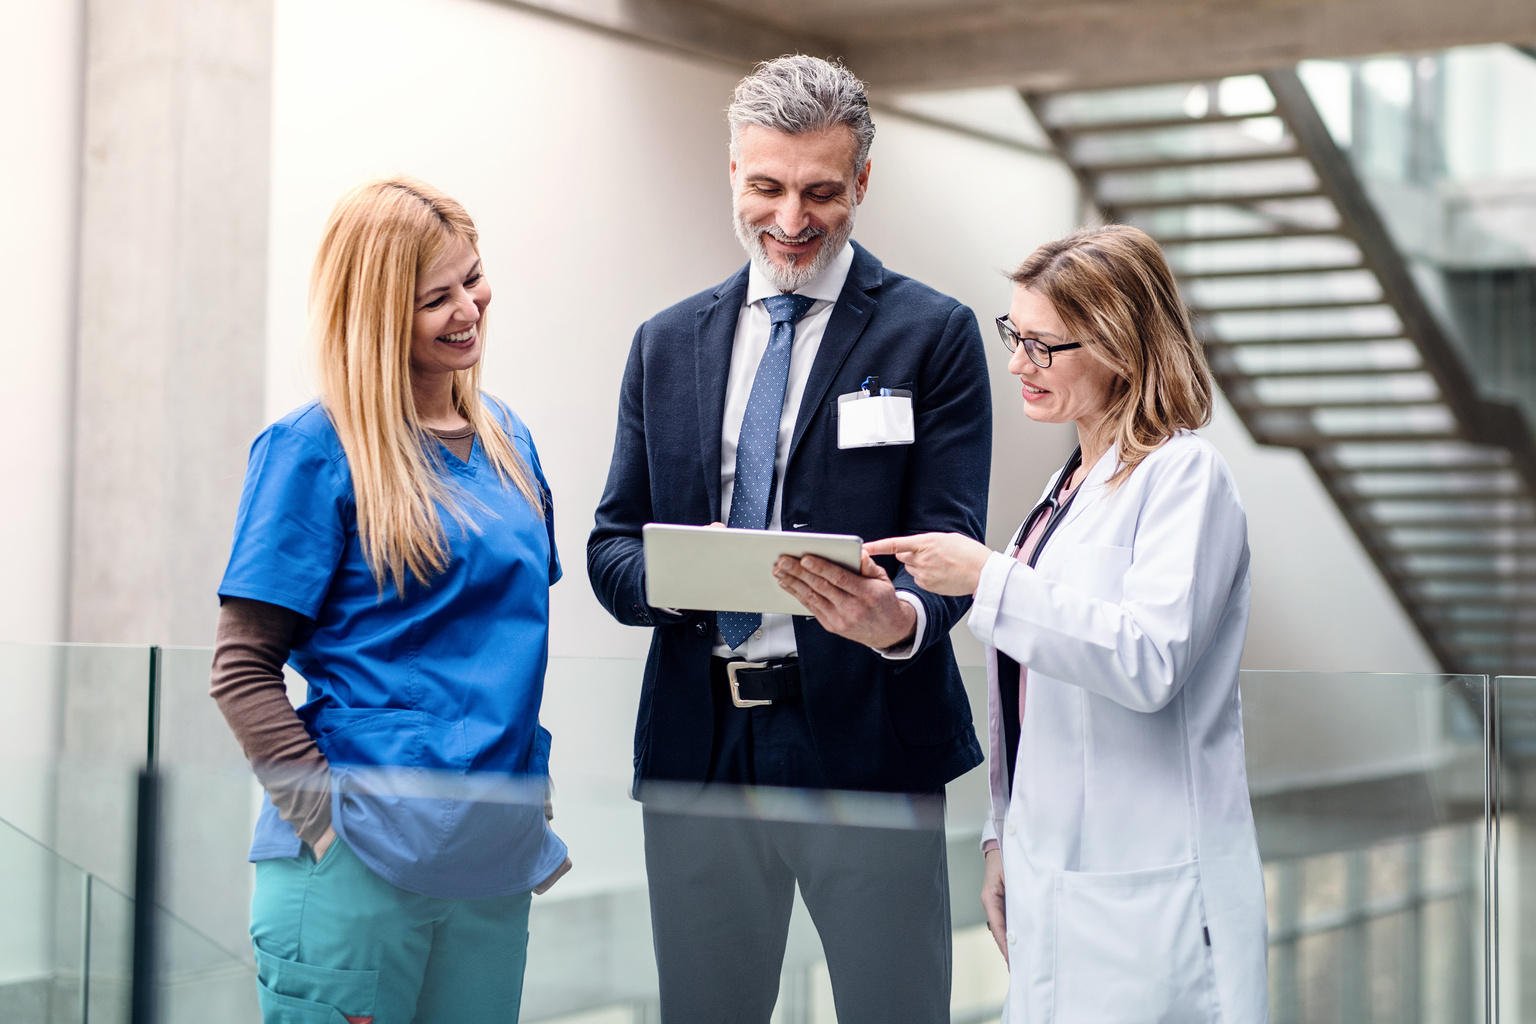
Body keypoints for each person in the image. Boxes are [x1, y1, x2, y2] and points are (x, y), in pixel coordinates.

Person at [587, 55, 992, 1023]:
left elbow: (955, 550)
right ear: (733, 173)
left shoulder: (932, 334)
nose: (791, 218)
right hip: (702, 740)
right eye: (767, 186)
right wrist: (680, 576)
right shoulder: (665, 341)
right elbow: (611, 548)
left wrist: (899, 620)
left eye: (819, 191)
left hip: (865, 742)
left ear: (861, 183)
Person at [868, 225, 1269, 1022]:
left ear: (1122, 343)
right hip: (1051, 875)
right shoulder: (1067, 491)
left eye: (1044, 345)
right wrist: (1000, 837)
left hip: (1151, 891)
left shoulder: (1186, 476)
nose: (1018, 363)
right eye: (1015, 335)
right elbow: (1033, 699)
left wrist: (988, 576)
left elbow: (1149, 660)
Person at [210, 177, 570, 1024]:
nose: (467, 310)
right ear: (374, 313)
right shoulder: (313, 449)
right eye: (432, 299)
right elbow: (241, 669)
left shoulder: (507, 442)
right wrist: (326, 826)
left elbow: (495, 640)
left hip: (491, 855)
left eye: (472, 279)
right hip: (358, 861)